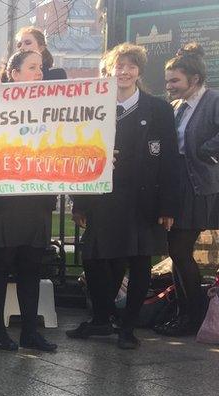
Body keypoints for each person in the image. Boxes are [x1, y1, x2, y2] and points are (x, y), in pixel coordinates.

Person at [67, 43, 179, 349]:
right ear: (108, 70)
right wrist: (79, 201)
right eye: (119, 66)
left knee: (139, 262)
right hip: (103, 198)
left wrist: (168, 205)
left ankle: (127, 328)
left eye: (130, 66)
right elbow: (81, 157)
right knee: (94, 259)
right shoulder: (94, 107)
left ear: (139, 71)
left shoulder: (159, 109)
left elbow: (170, 160)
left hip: (143, 200)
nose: (124, 71)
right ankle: (102, 318)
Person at [0, 50, 58, 353]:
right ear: (14, 73)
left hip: (35, 201)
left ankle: (29, 332)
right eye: (33, 67)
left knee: (31, 267)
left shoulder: (51, 107)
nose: (39, 73)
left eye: (41, 68)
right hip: (2, 202)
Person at [159, 43, 219, 336]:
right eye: (168, 80)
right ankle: (185, 314)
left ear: (193, 79)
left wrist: (206, 152)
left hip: (198, 186)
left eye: (174, 81)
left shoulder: (213, 100)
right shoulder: (176, 106)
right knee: (176, 251)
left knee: (179, 249)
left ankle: (191, 315)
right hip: (178, 185)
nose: (169, 86)